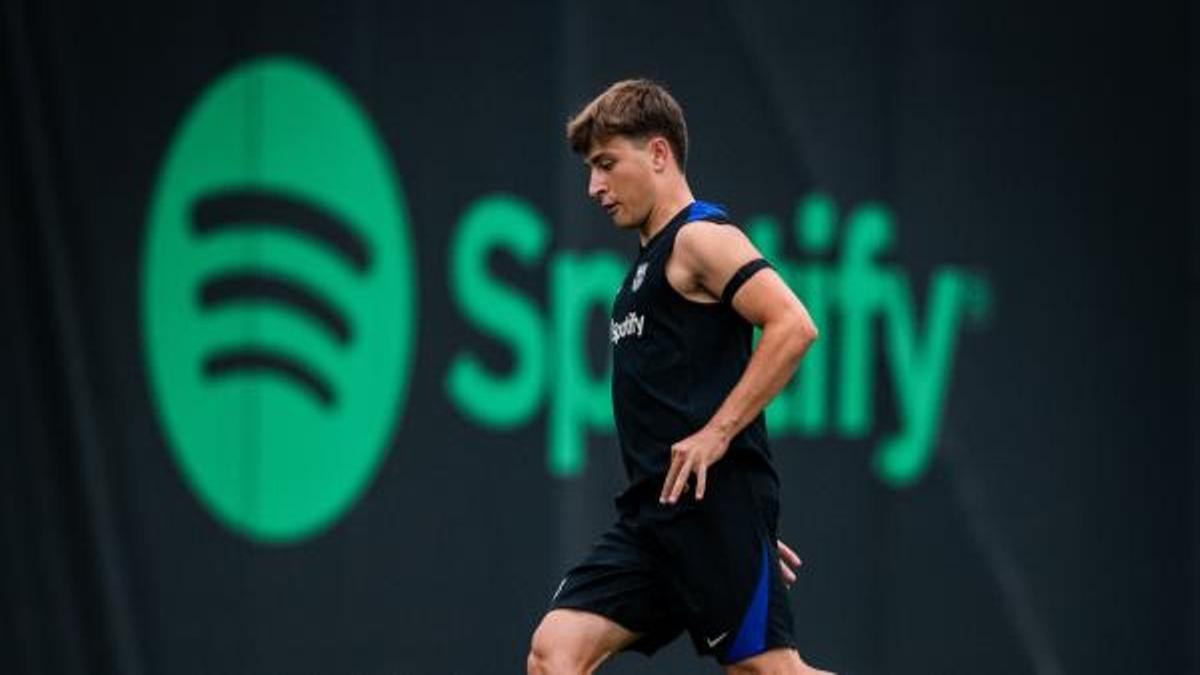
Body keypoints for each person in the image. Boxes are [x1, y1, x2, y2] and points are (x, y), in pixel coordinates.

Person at [527, 79, 829, 675]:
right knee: (553, 650)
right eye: (590, 170)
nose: (595, 187)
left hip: (713, 506)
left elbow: (793, 325)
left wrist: (721, 448)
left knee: (769, 673)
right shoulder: (645, 267)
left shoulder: (699, 239)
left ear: (659, 154)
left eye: (608, 164)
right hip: (654, 521)